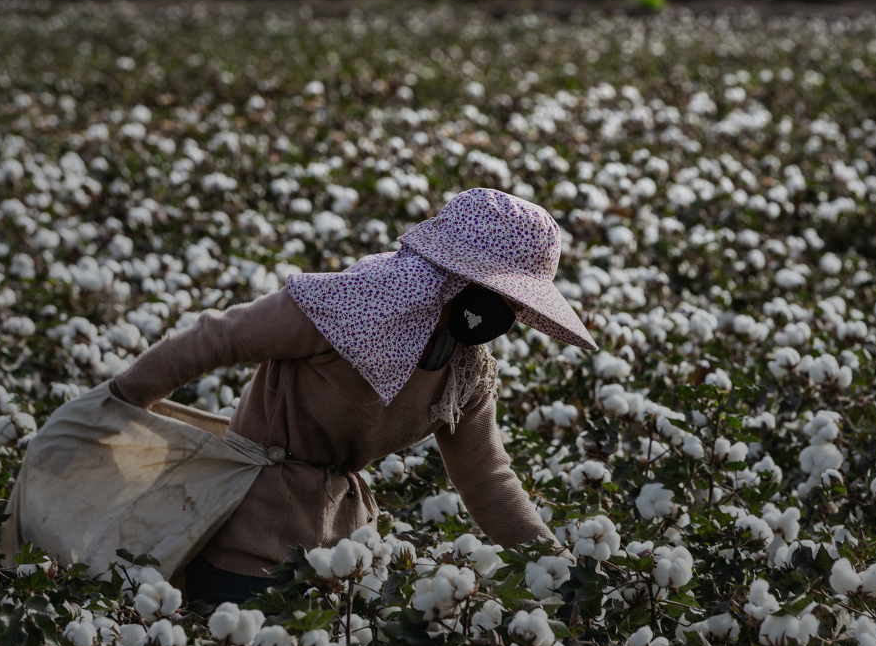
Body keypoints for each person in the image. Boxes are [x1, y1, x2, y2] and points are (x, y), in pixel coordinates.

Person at [107, 188, 597, 604]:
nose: (509, 311)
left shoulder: (464, 370)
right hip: (246, 536)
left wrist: (557, 570)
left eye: (517, 302)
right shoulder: (341, 307)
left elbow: (485, 477)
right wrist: (114, 407)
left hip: (342, 555)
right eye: (505, 295)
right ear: (463, 280)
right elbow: (216, 338)